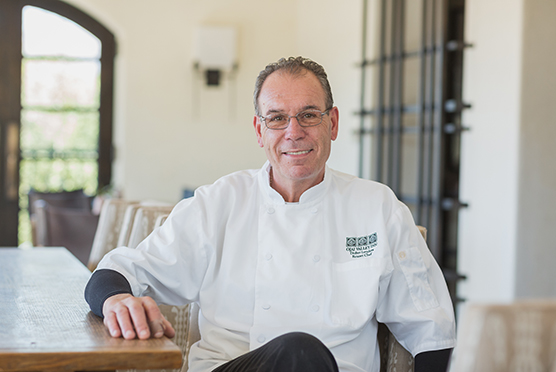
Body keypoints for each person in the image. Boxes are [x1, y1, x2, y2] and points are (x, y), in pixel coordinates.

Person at [85, 56, 456, 372]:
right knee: (298, 351)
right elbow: (117, 272)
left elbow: (431, 328)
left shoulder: (378, 208)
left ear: (334, 123)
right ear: (259, 131)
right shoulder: (220, 203)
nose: (293, 132)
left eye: (309, 115)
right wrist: (117, 300)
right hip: (233, 366)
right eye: (277, 118)